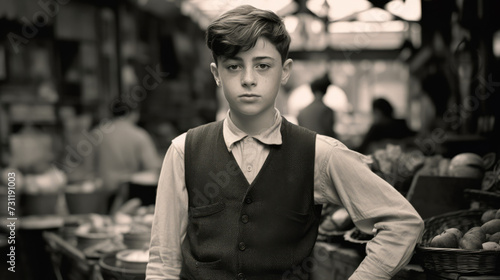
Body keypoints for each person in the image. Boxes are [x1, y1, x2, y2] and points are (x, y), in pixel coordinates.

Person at [147, 5, 424, 280]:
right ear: (217, 74)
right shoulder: (184, 151)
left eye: (263, 66)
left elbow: (402, 223)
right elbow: (163, 262)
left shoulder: (319, 154)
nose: (248, 79)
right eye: (233, 66)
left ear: (285, 71)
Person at [92, 100, 161, 211]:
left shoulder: (97, 133)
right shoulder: (139, 135)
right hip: (128, 193)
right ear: (133, 114)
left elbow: (87, 166)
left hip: (100, 192)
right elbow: (152, 167)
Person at [297, 73, 337, 138]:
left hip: (305, 146)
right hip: (322, 146)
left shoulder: (302, 112)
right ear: (325, 91)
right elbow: (330, 135)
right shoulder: (326, 111)